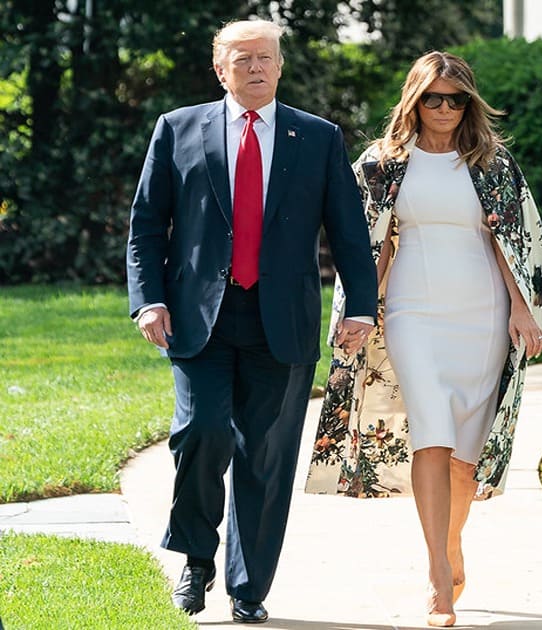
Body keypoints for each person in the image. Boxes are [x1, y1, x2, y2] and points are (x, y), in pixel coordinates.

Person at [303, 51, 542, 626]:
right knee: (429, 433)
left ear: (470, 103)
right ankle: (436, 573)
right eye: (434, 98)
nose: (446, 108)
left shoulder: (493, 164)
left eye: (457, 99)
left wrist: (525, 310)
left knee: (463, 458)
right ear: (414, 99)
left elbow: (516, 242)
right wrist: (357, 313)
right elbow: (368, 245)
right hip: (411, 311)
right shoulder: (381, 164)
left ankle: (452, 543)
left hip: (482, 312)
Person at [125, 19, 377, 624]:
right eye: (243, 59)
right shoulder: (178, 129)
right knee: (203, 432)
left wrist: (362, 306)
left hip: (281, 321)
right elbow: (145, 227)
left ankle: (248, 587)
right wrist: (148, 300)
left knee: (265, 454)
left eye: (266, 58)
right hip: (198, 318)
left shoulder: (316, 137)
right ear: (221, 70)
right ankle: (195, 559)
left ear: (280, 67)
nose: (257, 68)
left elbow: (348, 231)